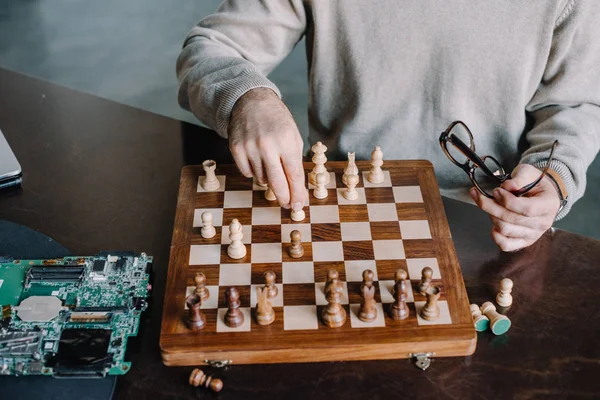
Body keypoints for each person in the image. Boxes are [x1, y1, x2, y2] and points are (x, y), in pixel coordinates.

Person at [176, 1, 600, 252]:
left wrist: (557, 175)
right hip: (334, 213)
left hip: (488, 225)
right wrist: (248, 97)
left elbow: (576, 101)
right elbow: (211, 47)